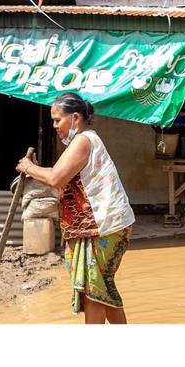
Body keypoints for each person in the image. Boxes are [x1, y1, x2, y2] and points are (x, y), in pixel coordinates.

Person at [16, 92, 135, 324]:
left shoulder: (83, 141)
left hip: (103, 227)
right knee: (102, 290)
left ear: (76, 118)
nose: (54, 126)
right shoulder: (82, 141)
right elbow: (59, 174)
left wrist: (29, 168)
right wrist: (38, 171)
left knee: (94, 293)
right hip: (100, 226)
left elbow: (56, 178)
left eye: (58, 120)